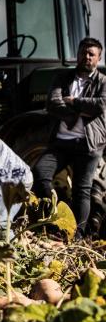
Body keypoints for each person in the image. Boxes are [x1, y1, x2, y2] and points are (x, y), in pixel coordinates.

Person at [33, 37, 106, 239]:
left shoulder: (103, 81)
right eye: (83, 52)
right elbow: (52, 103)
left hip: (88, 144)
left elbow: (100, 105)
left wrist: (73, 101)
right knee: (40, 174)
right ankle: (54, 223)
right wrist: (79, 112)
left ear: (98, 58)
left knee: (82, 190)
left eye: (92, 54)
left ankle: (77, 236)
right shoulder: (62, 77)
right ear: (78, 54)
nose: (87, 57)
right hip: (61, 143)